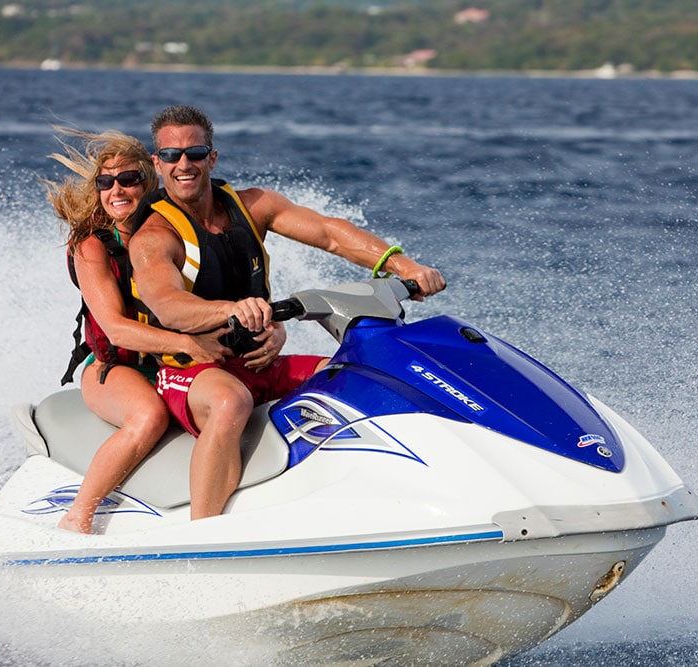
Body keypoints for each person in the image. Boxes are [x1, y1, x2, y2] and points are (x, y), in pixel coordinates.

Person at [129, 104, 446, 521]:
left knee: (357, 376)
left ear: (213, 157)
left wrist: (403, 266)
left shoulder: (254, 206)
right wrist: (234, 310)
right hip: (190, 372)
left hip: (260, 363)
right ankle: (202, 532)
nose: (183, 164)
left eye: (195, 153)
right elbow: (168, 305)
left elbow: (330, 234)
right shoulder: (155, 237)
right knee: (230, 401)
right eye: (171, 156)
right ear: (158, 163)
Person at [44, 127, 230, 534]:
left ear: (148, 182)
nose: (117, 190)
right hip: (115, 368)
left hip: (174, 362)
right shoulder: (92, 246)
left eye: (128, 179)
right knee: (148, 417)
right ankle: (78, 517)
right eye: (106, 182)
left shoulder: (173, 230)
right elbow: (116, 330)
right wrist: (187, 343)